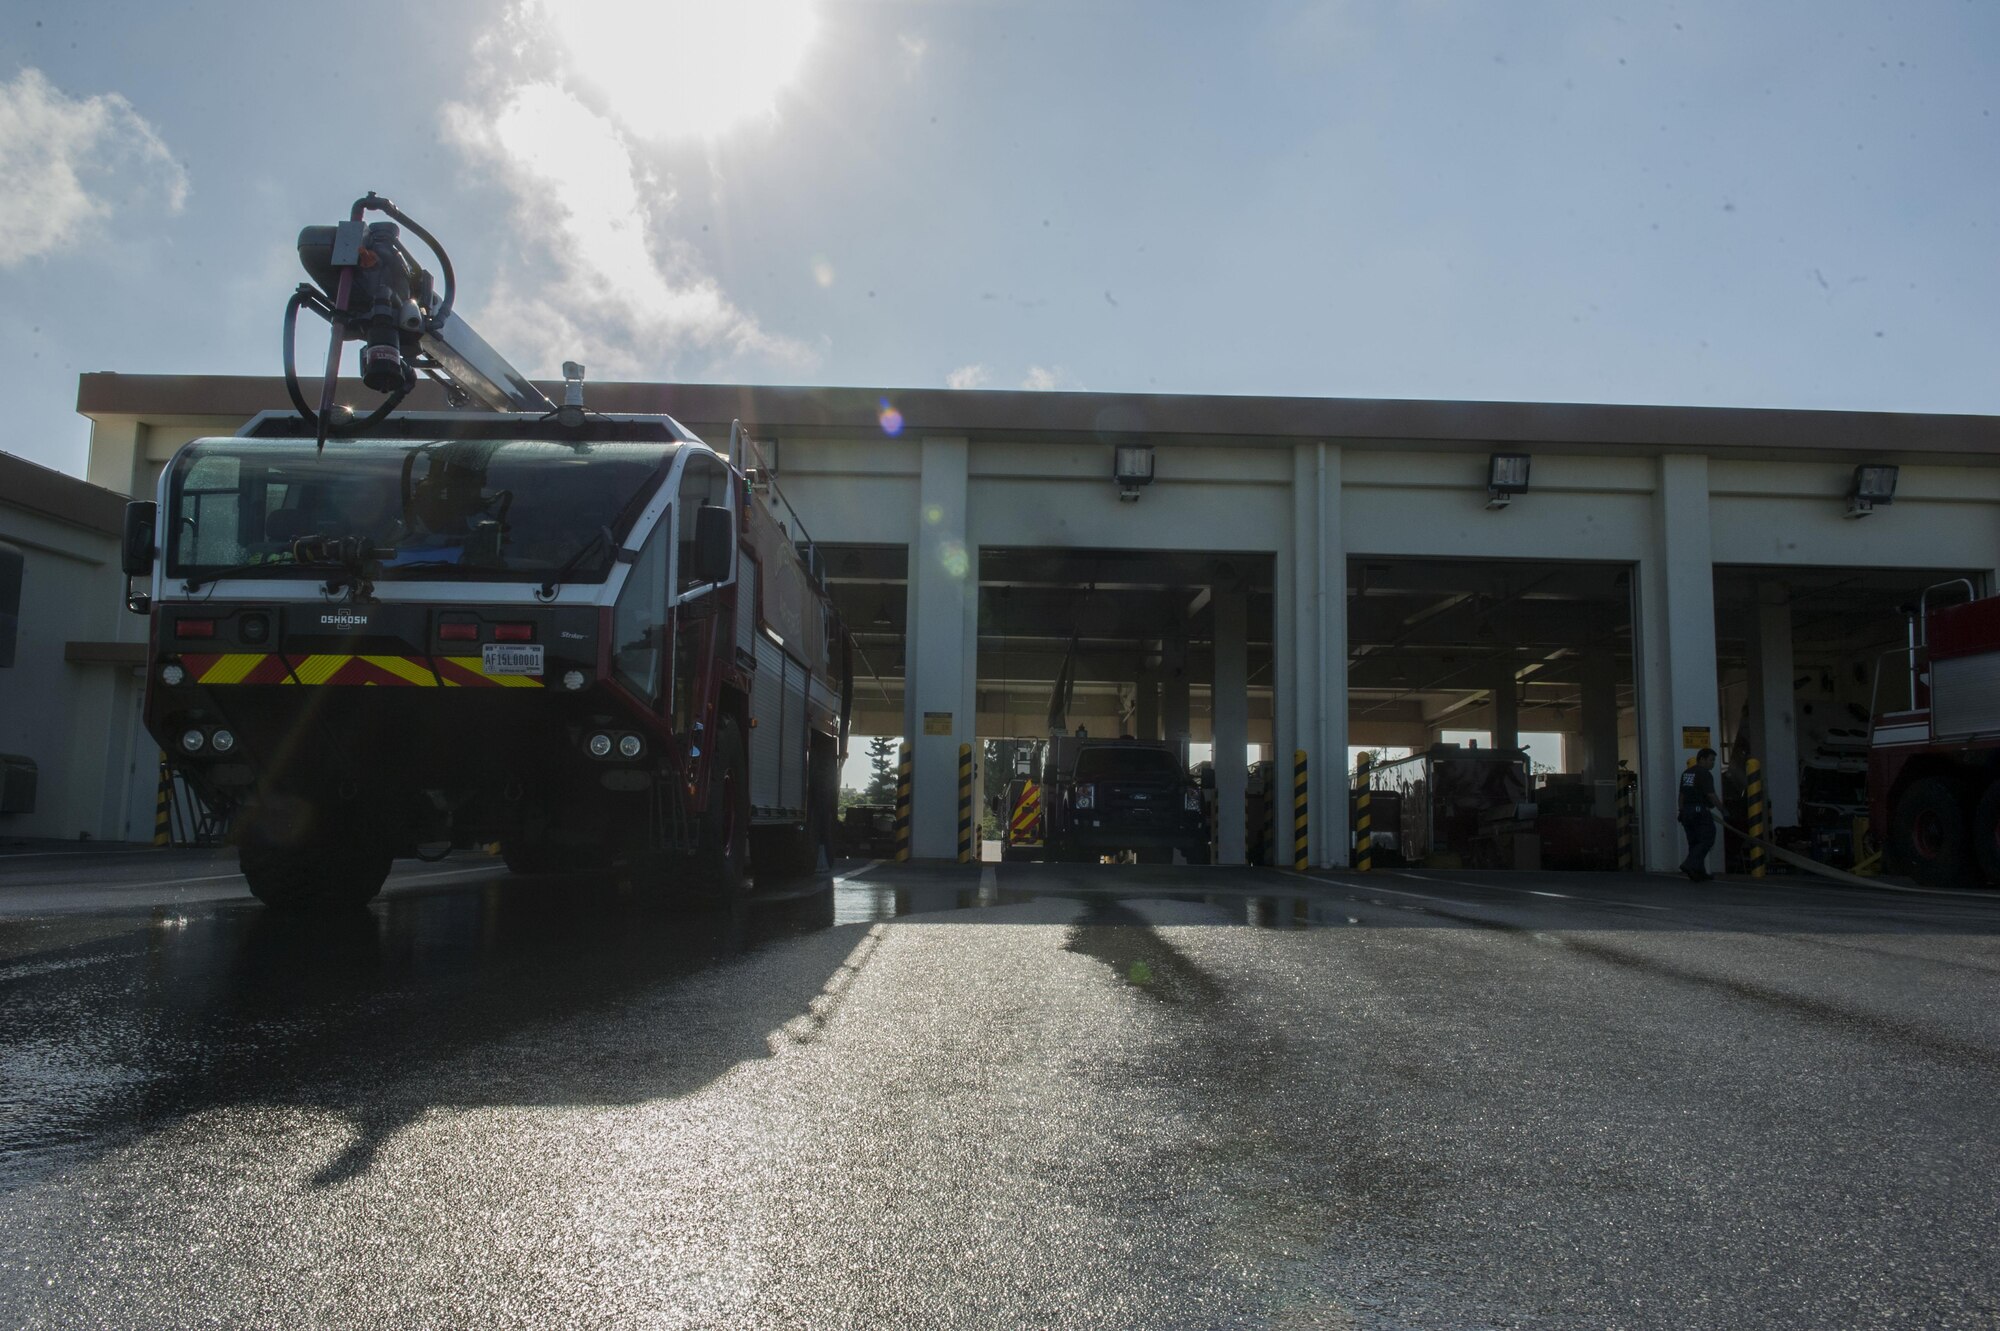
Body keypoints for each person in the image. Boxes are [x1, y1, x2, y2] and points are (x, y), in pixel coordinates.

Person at [1679, 747, 1723, 881]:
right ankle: (1690, 864)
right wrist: (1723, 811)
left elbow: (1681, 795)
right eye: (1711, 760)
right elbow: (1711, 795)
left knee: (1694, 842)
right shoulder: (1704, 774)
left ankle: (1698, 872)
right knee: (1707, 838)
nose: (1713, 763)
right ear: (1702, 759)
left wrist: (1681, 811)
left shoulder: (1687, 773)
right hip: (1700, 812)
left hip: (1687, 812)